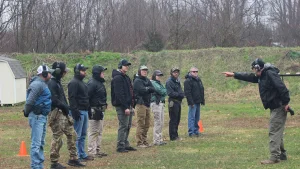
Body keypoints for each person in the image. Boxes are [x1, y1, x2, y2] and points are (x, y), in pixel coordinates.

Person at [222, 58, 290, 164]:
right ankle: (282, 154)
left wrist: (286, 103)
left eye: (254, 69)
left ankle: (274, 157)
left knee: (273, 131)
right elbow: (250, 77)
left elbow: (282, 88)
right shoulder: (262, 75)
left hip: (279, 107)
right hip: (275, 107)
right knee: (277, 130)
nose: (254, 71)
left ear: (259, 68)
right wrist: (234, 74)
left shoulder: (270, 74)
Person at [48, 62, 85, 169]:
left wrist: (66, 108)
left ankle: (73, 158)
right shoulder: (52, 83)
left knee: (72, 135)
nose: (65, 73)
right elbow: (54, 100)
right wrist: (65, 106)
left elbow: (61, 98)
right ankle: (54, 163)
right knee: (57, 138)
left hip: (63, 113)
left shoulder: (57, 82)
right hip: (56, 113)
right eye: (64, 71)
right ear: (59, 71)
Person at [24, 65, 53, 169]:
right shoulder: (37, 84)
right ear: (44, 74)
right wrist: (27, 112)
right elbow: (30, 101)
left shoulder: (42, 84)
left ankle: (39, 165)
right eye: (49, 72)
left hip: (41, 116)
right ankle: (36, 166)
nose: (50, 74)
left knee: (40, 142)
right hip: (37, 116)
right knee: (36, 143)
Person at [68, 63, 93, 161]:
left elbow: (87, 98)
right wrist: (75, 111)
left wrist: (89, 109)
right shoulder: (73, 83)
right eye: (83, 71)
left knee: (83, 134)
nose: (85, 72)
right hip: (78, 111)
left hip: (85, 110)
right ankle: (76, 154)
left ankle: (82, 153)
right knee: (77, 135)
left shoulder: (83, 83)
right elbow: (72, 98)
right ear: (77, 71)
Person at [111, 59, 137, 153]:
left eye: (127, 65)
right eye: (125, 65)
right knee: (123, 125)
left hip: (128, 105)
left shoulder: (125, 77)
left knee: (128, 125)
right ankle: (120, 146)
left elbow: (131, 91)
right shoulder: (118, 78)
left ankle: (125, 143)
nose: (127, 67)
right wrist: (125, 107)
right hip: (122, 106)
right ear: (120, 66)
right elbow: (119, 94)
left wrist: (132, 104)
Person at [87, 65, 108, 158]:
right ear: (97, 73)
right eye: (102, 72)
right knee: (93, 131)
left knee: (99, 131)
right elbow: (87, 97)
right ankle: (92, 151)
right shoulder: (92, 83)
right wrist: (90, 110)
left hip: (100, 110)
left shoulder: (100, 83)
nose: (103, 74)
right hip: (94, 110)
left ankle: (97, 150)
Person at [133, 65, 156, 148]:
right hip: (140, 104)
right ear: (139, 71)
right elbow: (141, 90)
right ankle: (139, 142)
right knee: (141, 123)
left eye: (146, 70)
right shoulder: (137, 80)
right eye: (143, 70)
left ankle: (144, 140)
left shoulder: (147, 80)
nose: (145, 72)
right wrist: (147, 89)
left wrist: (147, 88)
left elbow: (153, 89)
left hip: (147, 104)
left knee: (147, 123)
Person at [184, 67, 205, 137]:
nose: (195, 73)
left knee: (197, 117)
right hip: (193, 102)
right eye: (194, 71)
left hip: (198, 101)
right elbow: (187, 93)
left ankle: (197, 130)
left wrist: (202, 100)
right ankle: (191, 132)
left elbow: (201, 90)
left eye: (196, 71)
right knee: (191, 117)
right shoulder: (188, 81)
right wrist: (191, 102)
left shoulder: (198, 80)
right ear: (190, 72)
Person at [166, 67, 185, 141]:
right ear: (171, 73)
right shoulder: (169, 81)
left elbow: (180, 90)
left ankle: (176, 135)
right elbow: (170, 93)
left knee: (177, 119)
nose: (176, 73)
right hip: (173, 102)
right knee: (173, 119)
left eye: (177, 72)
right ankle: (173, 136)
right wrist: (180, 95)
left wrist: (182, 94)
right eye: (174, 72)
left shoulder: (177, 81)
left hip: (178, 102)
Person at [150, 70, 167, 146]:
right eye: (157, 75)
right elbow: (160, 91)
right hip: (156, 103)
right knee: (158, 122)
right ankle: (156, 140)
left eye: (160, 75)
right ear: (154, 76)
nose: (159, 77)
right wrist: (163, 91)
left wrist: (163, 91)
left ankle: (159, 139)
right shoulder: (153, 82)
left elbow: (165, 91)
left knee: (161, 122)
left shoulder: (159, 83)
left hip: (161, 103)